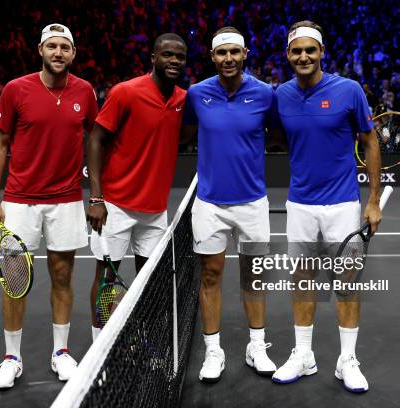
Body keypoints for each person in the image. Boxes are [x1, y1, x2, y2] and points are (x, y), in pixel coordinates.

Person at [0, 23, 97, 389]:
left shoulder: (85, 91)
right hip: (19, 202)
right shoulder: (16, 89)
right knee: (14, 283)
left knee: (62, 277)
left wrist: (98, 194)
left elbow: (96, 143)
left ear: (73, 53)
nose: (59, 52)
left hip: (65, 201)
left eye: (65, 46)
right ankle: (11, 358)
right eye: (52, 46)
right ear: (40, 51)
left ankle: (60, 352)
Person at [272, 21, 382, 393]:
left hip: (344, 204)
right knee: (302, 279)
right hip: (300, 205)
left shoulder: (349, 90)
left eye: (310, 50)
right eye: (296, 50)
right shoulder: (281, 96)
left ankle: (346, 359)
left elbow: (370, 142)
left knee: (346, 282)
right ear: (288, 55)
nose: (303, 56)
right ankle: (304, 355)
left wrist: (374, 200)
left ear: (321, 52)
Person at [182, 27, 277, 383]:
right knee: (210, 276)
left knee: (253, 275)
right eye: (221, 53)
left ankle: (257, 346)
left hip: (253, 204)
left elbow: (280, 134)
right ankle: (213, 351)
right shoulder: (197, 94)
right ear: (212, 57)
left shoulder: (266, 94)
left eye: (234, 53)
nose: (228, 59)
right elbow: (185, 133)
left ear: (245, 54)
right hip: (209, 205)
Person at [86, 33, 187, 340]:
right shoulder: (125, 92)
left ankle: (146, 335)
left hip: (155, 210)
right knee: (106, 279)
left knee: (151, 281)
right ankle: (99, 342)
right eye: (167, 55)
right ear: (153, 58)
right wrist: (96, 197)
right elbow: (95, 138)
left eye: (180, 57)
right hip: (115, 205)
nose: (174, 61)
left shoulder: (183, 98)